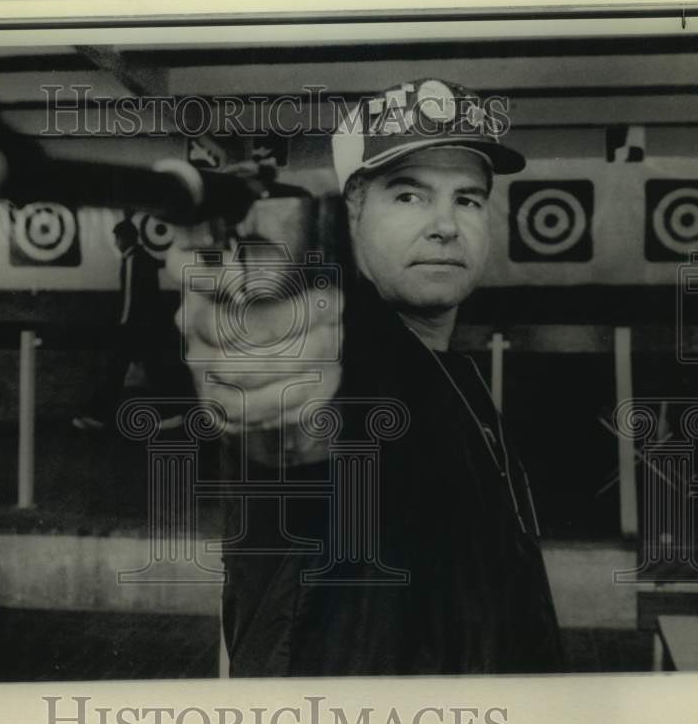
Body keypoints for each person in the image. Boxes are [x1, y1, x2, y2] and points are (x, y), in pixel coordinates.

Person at [174, 78, 564, 676]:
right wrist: (261, 366)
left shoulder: (456, 377)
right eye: (409, 196)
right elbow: (289, 409)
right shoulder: (346, 358)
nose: (445, 225)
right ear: (352, 212)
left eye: (467, 199)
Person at [74, 218, 173, 430]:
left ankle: (98, 416)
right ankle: (171, 414)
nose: (116, 243)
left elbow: (129, 298)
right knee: (153, 371)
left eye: (117, 238)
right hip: (147, 327)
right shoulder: (143, 258)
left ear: (125, 238)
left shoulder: (132, 260)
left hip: (135, 328)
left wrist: (123, 325)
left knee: (116, 371)